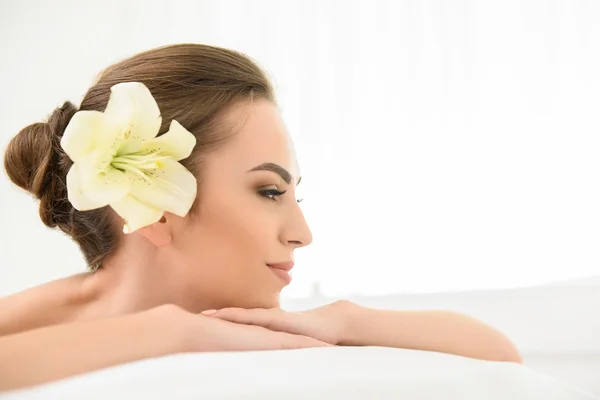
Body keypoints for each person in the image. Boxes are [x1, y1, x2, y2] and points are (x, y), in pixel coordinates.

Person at [0, 43, 522, 392]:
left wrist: (344, 320)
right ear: (154, 208)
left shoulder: (274, 328)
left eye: (295, 194)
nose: (302, 235)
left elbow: (499, 354)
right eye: (270, 191)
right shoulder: (41, 319)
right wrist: (170, 333)